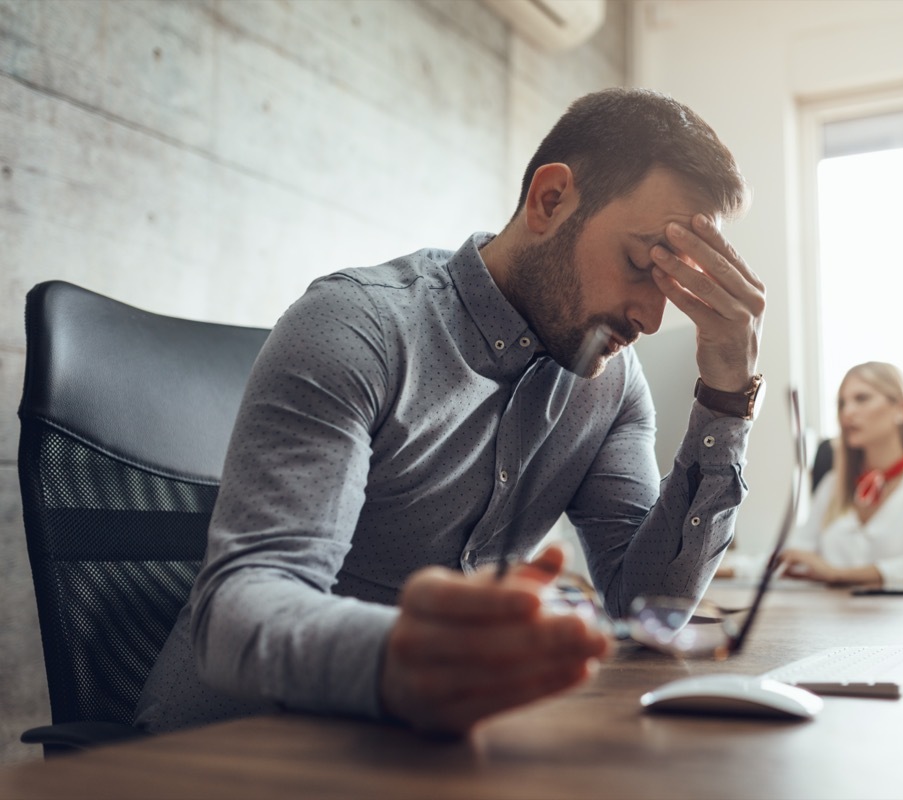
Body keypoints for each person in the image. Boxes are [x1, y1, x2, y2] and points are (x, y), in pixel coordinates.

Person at [134, 88, 766, 736]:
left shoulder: (608, 384)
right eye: (640, 264)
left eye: (671, 284)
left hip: (423, 756)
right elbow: (236, 611)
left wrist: (725, 398)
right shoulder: (359, 326)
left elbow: (644, 605)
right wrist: (399, 660)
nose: (652, 318)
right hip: (228, 749)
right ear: (551, 201)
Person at [777, 362, 903, 589]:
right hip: (834, 618)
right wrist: (722, 566)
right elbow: (794, 554)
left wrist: (839, 575)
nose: (847, 413)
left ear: (901, 409)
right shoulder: (834, 484)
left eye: (861, 399)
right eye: (842, 404)